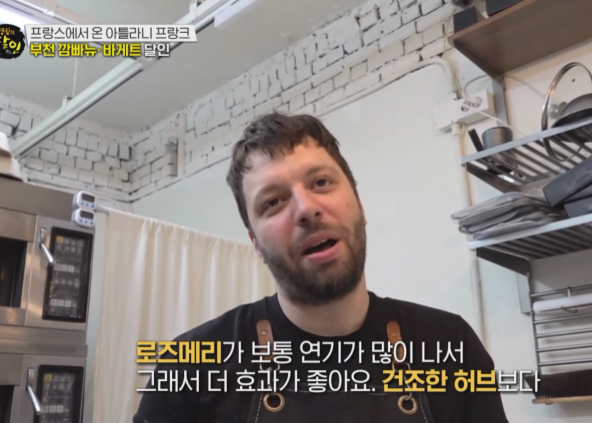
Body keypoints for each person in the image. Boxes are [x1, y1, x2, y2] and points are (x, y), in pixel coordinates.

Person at [133, 113, 510, 423]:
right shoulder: (186, 369)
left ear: (359, 206)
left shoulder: (451, 345)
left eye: (321, 182)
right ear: (255, 243)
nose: (306, 209)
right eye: (273, 202)